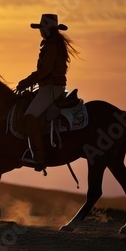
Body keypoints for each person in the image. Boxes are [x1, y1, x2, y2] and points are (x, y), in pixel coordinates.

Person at [16, 14, 79, 165]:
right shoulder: (53, 44)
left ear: (46, 29)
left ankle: (39, 156)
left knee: (29, 116)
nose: (40, 32)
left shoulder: (51, 46)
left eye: (41, 28)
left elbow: (45, 70)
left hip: (51, 88)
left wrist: (27, 81)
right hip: (50, 87)